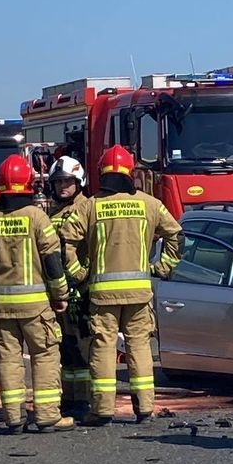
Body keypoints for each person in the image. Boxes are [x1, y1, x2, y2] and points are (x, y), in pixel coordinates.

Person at [58, 145, 181, 426]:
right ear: (131, 172)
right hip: (139, 292)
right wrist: (162, 267)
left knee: (103, 347)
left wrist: (78, 273)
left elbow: (66, 242)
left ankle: (101, 410)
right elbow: (177, 236)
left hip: (102, 294)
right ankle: (145, 408)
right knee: (139, 347)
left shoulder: (90, 206)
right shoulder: (150, 204)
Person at [0, 156, 75, 434]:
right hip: (36, 306)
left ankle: (13, 418)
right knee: (45, 356)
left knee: (8, 361)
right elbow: (52, 261)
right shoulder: (37, 217)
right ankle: (47, 416)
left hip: (0, 307)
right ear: (29, 184)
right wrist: (60, 294)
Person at [47, 156, 92, 420]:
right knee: (65, 347)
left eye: (68, 181)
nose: (63, 186)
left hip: (80, 289)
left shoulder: (86, 208)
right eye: (59, 182)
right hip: (59, 290)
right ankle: (70, 397)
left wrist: (79, 279)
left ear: (79, 182)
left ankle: (83, 399)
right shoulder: (52, 213)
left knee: (83, 347)